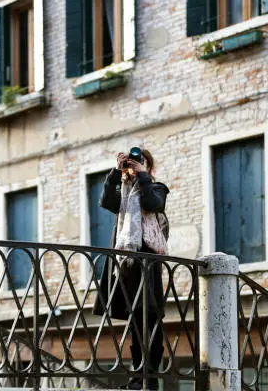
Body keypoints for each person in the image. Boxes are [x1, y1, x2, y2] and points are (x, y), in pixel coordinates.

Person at [92, 148, 170, 390]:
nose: (135, 165)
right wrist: (116, 172)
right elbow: (106, 201)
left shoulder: (157, 188)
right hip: (126, 264)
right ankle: (138, 379)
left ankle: (151, 380)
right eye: (132, 162)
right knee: (136, 323)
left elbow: (152, 203)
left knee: (151, 320)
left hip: (148, 265)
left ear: (149, 166)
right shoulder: (123, 194)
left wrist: (143, 175)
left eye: (140, 161)